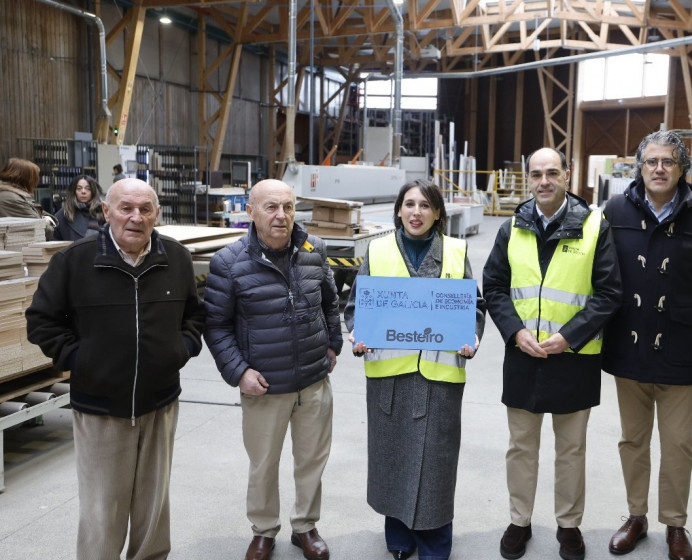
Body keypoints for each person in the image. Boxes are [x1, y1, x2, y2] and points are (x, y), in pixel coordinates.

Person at [25, 178, 205, 560]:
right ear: (106, 211)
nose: (135, 217)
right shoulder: (75, 261)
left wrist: (182, 348)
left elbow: (194, 314)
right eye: (126, 208)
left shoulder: (176, 258)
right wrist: (80, 361)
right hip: (100, 408)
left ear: (156, 214)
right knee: (103, 511)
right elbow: (41, 321)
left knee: (153, 509)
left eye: (145, 209)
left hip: (160, 404)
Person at [483, 147, 622, 560]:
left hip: (574, 358)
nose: (544, 181)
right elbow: (494, 287)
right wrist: (515, 331)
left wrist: (569, 336)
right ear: (529, 178)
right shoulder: (512, 226)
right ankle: (519, 520)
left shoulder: (595, 225)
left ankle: (568, 526)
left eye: (552, 173)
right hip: (523, 354)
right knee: (521, 446)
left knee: (571, 449)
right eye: (537, 174)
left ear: (568, 175)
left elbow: (609, 293)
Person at [345, 179, 486, 560]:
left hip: (439, 378)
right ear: (398, 210)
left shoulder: (455, 252)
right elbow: (356, 306)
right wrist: (358, 334)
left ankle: (435, 543)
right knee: (393, 458)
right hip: (391, 376)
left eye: (425, 205)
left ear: (438, 212)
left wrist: (472, 338)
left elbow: (473, 307)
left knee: (436, 464)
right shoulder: (378, 250)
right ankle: (400, 537)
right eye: (409, 204)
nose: (416, 212)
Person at [204, 179, 342, 560]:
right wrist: (239, 372)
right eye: (270, 207)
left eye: (288, 207)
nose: (281, 215)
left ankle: (305, 527)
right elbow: (216, 326)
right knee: (264, 463)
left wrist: (334, 343)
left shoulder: (315, 251)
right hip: (264, 386)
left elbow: (330, 303)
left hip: (314, 381)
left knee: (312, 458)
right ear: (250, 212)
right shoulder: (228, 263)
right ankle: (263, 530)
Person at [602, 131, 692, 560]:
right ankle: (636, 517)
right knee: (632, 440)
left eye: (667, 162)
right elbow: (602, 279)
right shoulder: (614, 210)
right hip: (628, 346)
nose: (658, 168)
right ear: (639, 166)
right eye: (651, 161)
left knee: (677, 443)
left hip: (681, 348)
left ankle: (675, 524)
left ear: (681, 169)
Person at [0, 157, 57, 239]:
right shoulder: (13, 199)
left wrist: (45, 220)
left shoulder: (17, 196)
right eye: (35, 178)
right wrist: (46, 222)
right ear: (26, 179)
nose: (36, 183)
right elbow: (44, 230)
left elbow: (49, 219)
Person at [54, 174, 105, 241]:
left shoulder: (102, 211)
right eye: (79, 188)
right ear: (74, 191)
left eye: (88, 189)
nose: (83, 192)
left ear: (93, 191)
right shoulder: (64, 213)